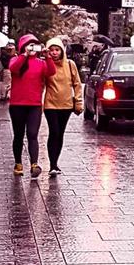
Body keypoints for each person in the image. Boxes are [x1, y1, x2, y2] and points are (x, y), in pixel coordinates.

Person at [9, 34, 56, 178]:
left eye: (35, 45)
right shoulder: (16, 60)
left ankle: (34, 164)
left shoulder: (41, 63)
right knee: (18, 135)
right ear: (23, 47)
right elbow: (13, 68)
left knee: (32, 134)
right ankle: (18, 163)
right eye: (29, 45)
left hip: (34, 105)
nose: (32, 48)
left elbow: (51, 72)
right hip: (17, 104)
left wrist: (48, 57)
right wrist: (24, 55)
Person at [43, 36, 83, 176]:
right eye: (51, 50)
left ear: (62, 51)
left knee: (60, 134)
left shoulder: (70, 64)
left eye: (57, 50)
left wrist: (78, 101)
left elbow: (77, 84)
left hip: (66, 104)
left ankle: (56, 162)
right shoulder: (46, 64)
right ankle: (52, 164)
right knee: (53, 132)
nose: (54, 53)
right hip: (50, 104)